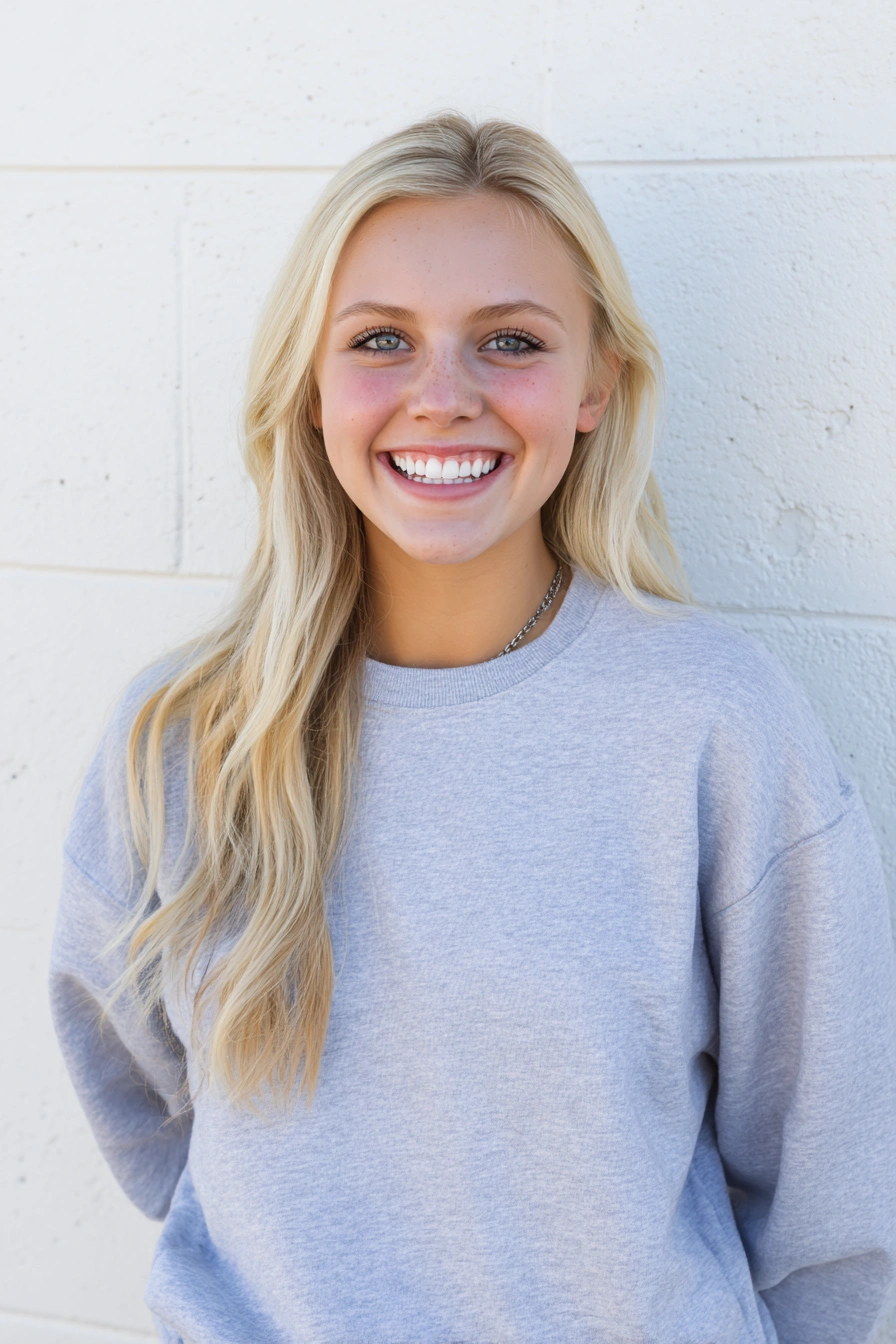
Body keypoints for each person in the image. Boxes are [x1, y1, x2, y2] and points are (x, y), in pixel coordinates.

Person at [49, 113, 896, 1344]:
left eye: (509, 342)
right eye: (380, 341)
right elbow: (143, 1111)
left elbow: (830, 1199)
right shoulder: (182, 741)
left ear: (597, 382)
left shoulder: (714, 724)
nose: (441, 399)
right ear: (311, 382)